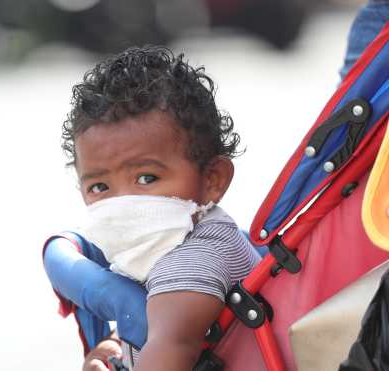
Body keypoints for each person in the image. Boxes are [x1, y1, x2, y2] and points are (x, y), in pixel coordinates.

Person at [45, 45, 261, 371]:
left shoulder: (191, 264)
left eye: (147, 178)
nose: (123, 203)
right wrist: (114, 348)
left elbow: (170, 345)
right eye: (99, 187)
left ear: (213, 179)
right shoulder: (166, 245)